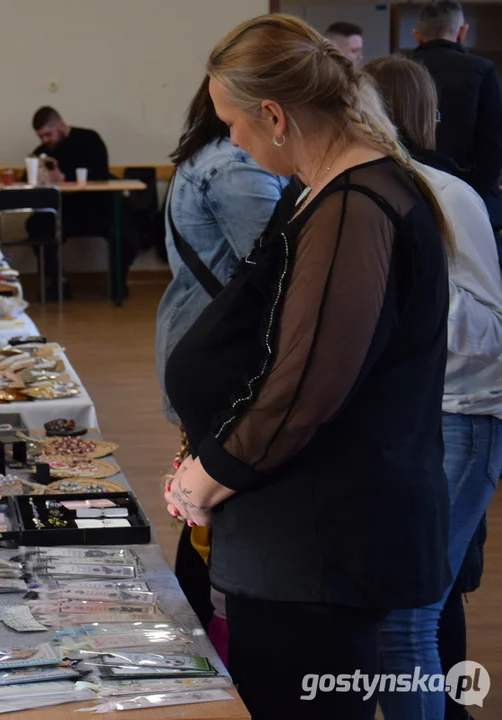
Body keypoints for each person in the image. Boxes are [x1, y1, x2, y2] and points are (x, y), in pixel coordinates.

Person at [163, 15, 453, 720]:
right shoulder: (324, 190)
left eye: (232, 122)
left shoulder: (355, 202)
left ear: (273, 115)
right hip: (302, 541)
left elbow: (303, 389)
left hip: (322, 546)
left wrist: (208, 476)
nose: (229, 138)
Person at [364, 54, 502, 720]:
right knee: (410, 607)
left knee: (405, 616)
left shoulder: (447, 197)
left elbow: (489, 328)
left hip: (461, 417)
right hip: (404, 420)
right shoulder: (361, 192)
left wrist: (401, 292)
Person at [156, 74, 289, 663]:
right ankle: (212, 636)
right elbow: (282, 273)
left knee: (201, 501)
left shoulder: (211, 157)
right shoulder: (234, 165)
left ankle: (205, 628)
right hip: (223, 356)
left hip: (203, 342)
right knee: (208, 504)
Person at [28, 106, 139, 299]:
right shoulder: (44, 152)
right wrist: (41, 176)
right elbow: (27, 175)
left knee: (127, 231)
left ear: (60, 125)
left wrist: (64, 177)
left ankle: (118, 282)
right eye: (41, 137)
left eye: (48, 134)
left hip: (98, 206)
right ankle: (58, 283)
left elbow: (100, 175)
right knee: (36, 225)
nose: (45, 141)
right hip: (66, 211)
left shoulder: (89, 139)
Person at [413, 0, 502, 231]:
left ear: (417, 35)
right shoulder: (483, 71)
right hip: (468, 198)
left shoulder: (396, 70)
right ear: (463, 32)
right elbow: (492, 147)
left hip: (410, 199)